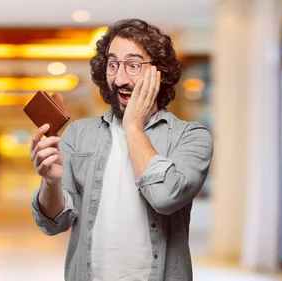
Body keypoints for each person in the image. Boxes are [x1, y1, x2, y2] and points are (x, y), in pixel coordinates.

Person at [30, 18, 214, 281]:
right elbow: (54, 223)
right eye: (113, 64)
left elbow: (164, 197)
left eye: (133, 65)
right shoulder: (78, 134)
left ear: (159, 72)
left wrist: (133, 126)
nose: (120, 78)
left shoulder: (191, 137)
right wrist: (50, 182)